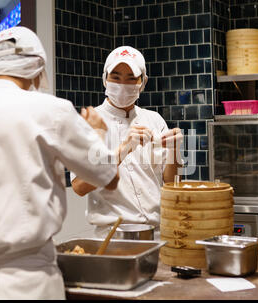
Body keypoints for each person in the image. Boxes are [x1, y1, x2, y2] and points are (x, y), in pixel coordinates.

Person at [0, 27, 119, 300]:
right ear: (38, 69)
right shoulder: (51, 110)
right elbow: (108, 176)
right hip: (28, 283)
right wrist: (97, 133)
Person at [71, 46, 184, 238]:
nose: (123, 84)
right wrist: (122, 150)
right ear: (105, 79)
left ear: (143, 82)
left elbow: (172, 184)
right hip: (113, 236)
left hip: (157, 233)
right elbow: (79, 187)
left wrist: (174, 151)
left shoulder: (154, 120)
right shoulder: (91, 121)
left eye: (131, 78)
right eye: (116, 77)